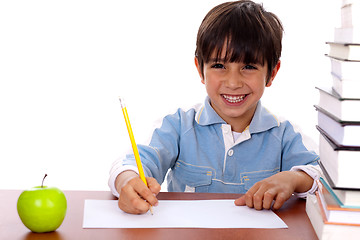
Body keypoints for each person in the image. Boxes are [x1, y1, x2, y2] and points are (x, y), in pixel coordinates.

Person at [108, 0, 321, 214]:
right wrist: (127, 180)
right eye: (219, 66)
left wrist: (293, 179)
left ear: (272, 73)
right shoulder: (178, 126)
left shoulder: (285, 134)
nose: (233, 82)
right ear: (200, 70)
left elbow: (322, 176)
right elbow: (130, 163)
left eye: (248, 66)